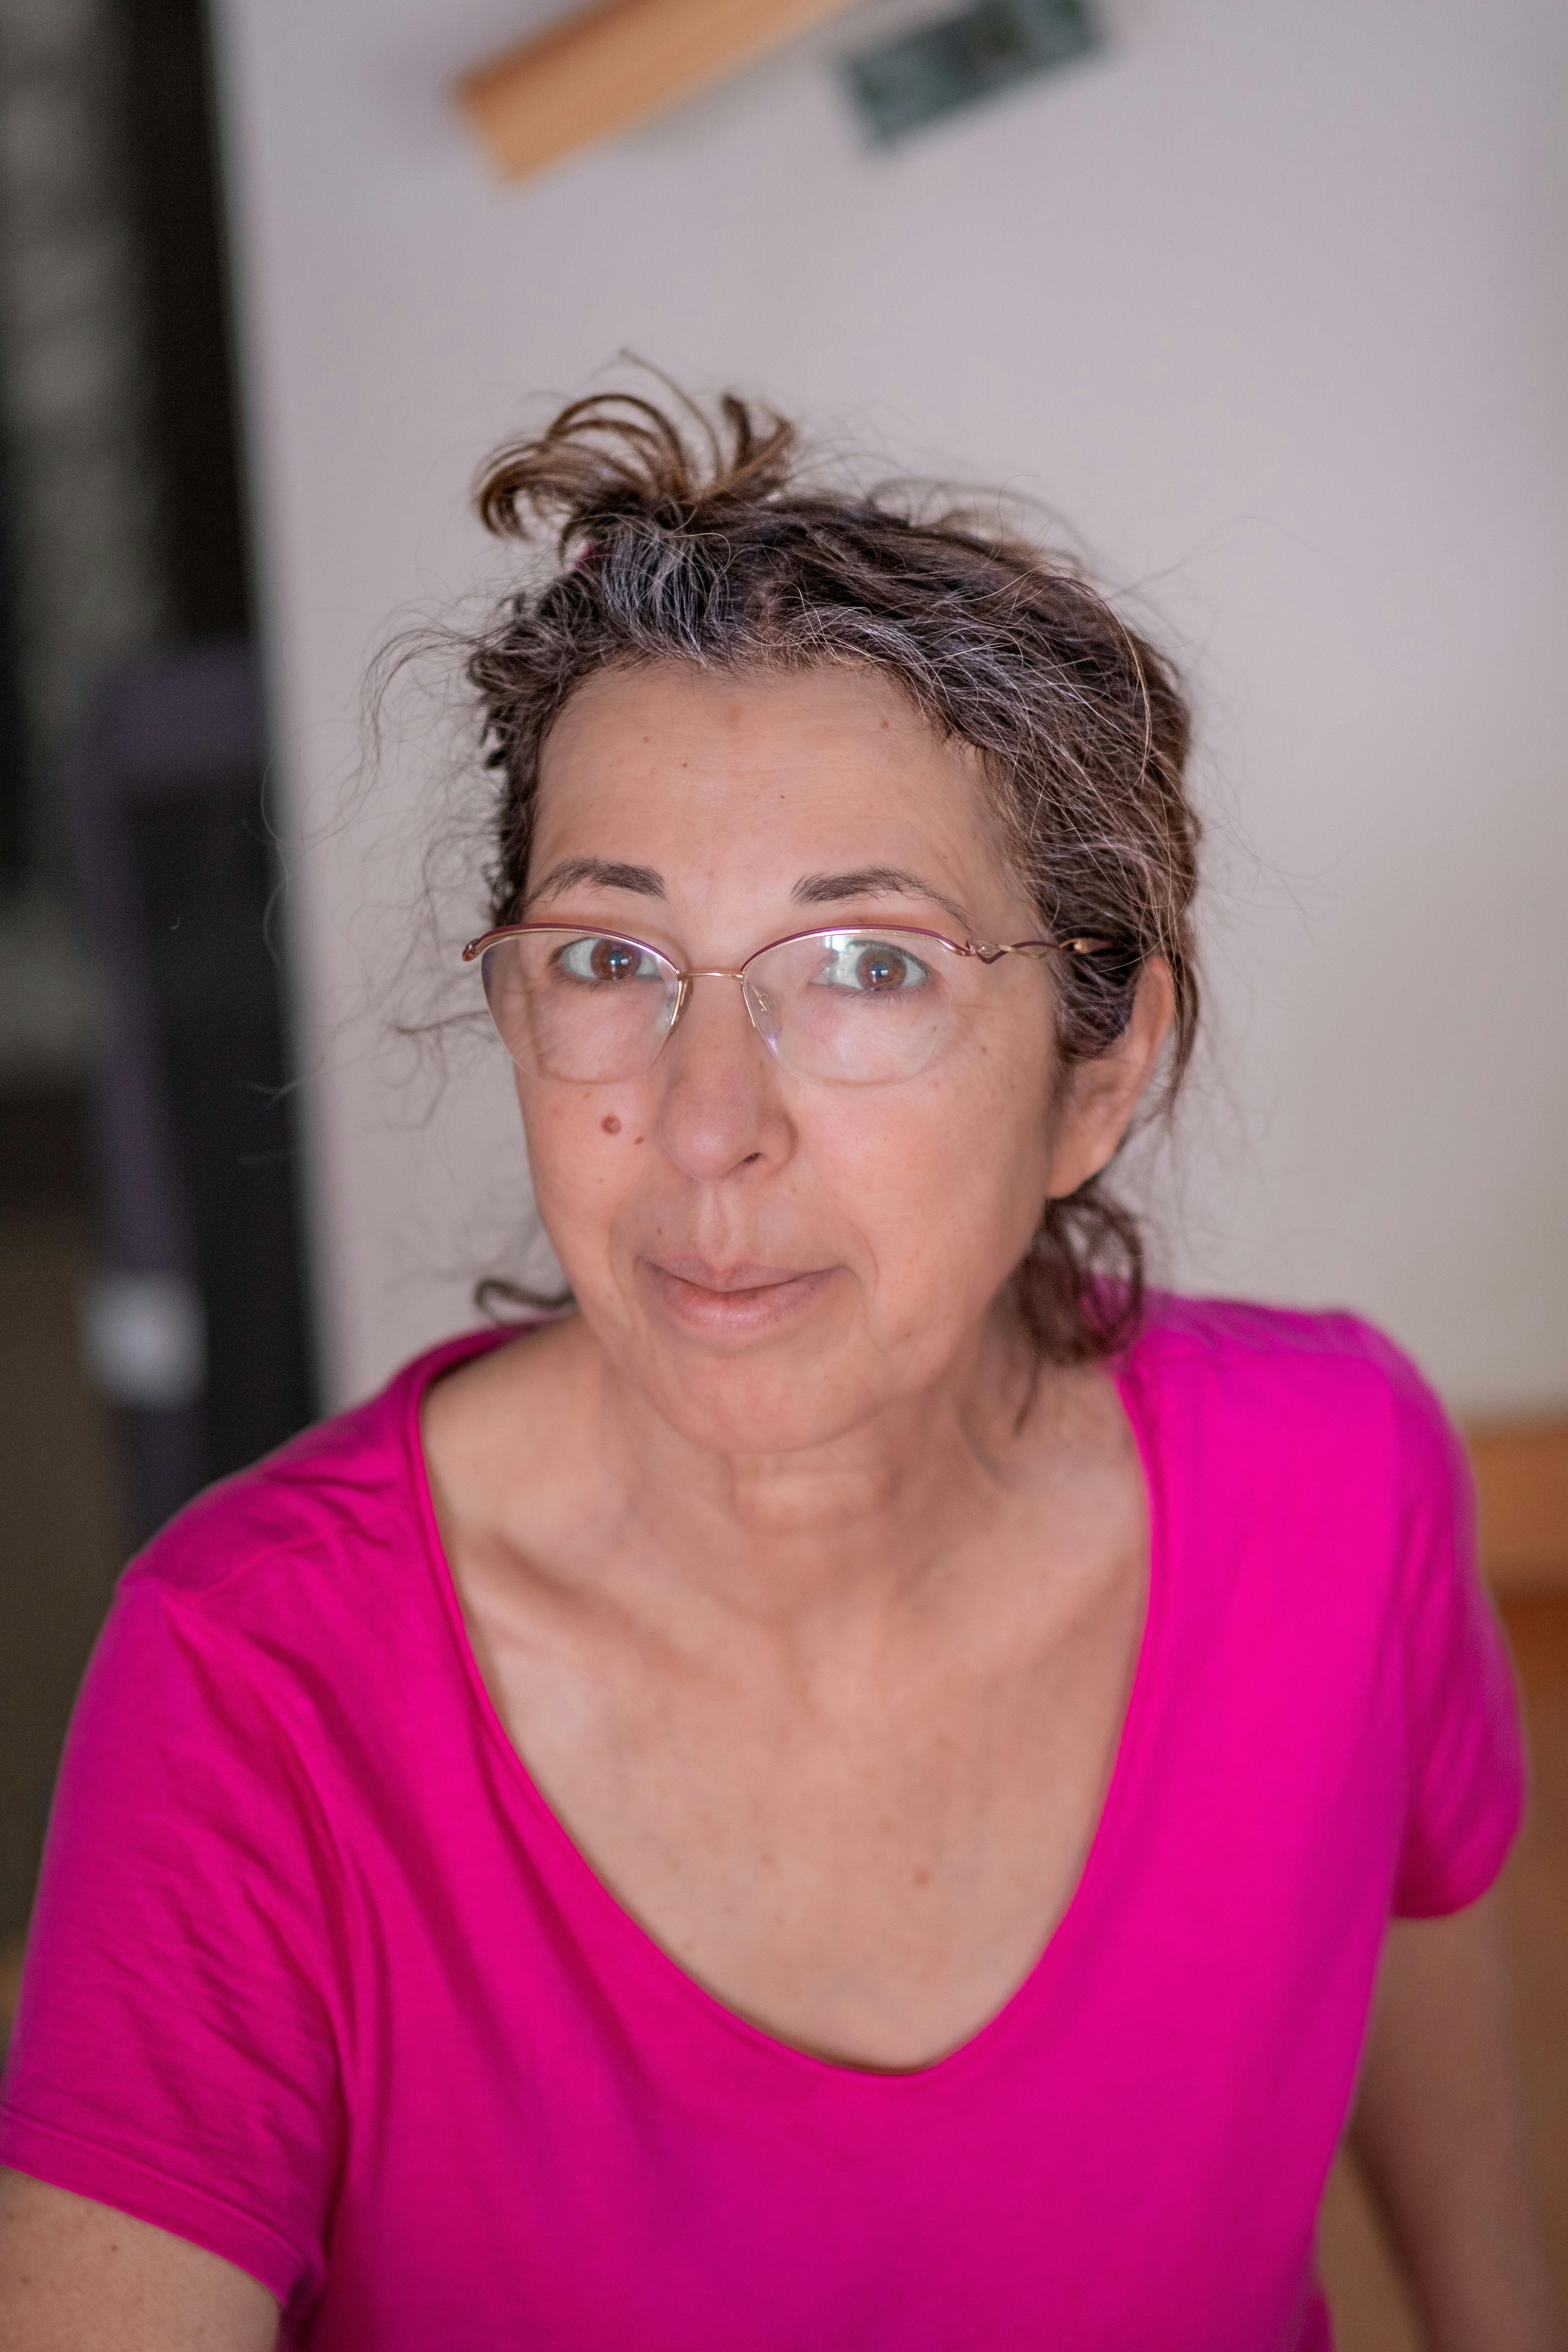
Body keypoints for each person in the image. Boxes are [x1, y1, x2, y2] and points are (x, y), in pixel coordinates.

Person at [0, 388, 1556, 2352]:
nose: (709, 1122)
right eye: (609, 961)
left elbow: (1456, 2111)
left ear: (1101, 1067)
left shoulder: (1342, 1485)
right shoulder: (255, 1684)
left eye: (871, 968)